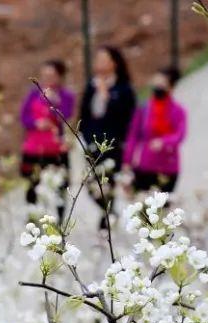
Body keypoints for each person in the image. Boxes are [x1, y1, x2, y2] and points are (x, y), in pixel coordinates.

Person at [79, 45, 136, 229]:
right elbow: (84, 115)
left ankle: (105, 224)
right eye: (98, 60)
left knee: (108, 183)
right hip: (92, 143)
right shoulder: (91, 85)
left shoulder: (123, 88)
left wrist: (107, 96)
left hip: (113, 144)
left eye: (105, 60)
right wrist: (86, 137)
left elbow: (126, 116)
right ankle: (110, 214)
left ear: (115, 63)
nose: (100, 64)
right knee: (90, 184)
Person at [19, 59, 75, 217]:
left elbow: (66, 116)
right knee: (32, 184)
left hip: (56, 148)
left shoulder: (66, 96)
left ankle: (59, 222)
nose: (47, 78)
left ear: (60, 76)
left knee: (60, 186)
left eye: (51, 75)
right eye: (44, 75)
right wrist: (36, 123)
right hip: (34, 147)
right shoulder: (33, 93)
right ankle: (32, 218)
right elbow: (24, 117)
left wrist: (53, 102)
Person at [124, 66, 187, 194]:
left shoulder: (178, 111)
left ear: (171, 87)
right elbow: (133, 136)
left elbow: (180, 134)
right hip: (145, 166)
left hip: (168, 167)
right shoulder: (143, 108)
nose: (158, 87)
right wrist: (127, 161)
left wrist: (164, 142)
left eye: (162, 84)